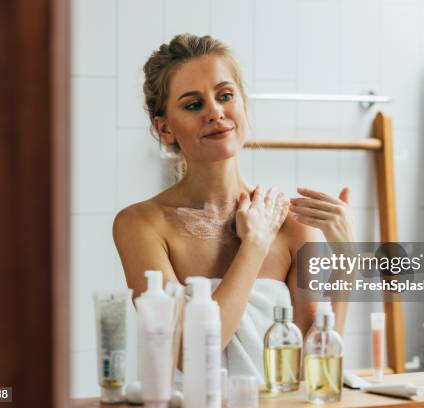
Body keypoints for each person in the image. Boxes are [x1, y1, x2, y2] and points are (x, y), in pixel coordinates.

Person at [113, 33, 355, 379]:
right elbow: (190, 353)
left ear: (242, 105)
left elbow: (314, 368)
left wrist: (347, 259)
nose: (215, 112)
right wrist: (254, 245)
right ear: (165, 128)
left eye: (226, 96)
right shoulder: (142, 225)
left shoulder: (293, 224)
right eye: (193, 104)